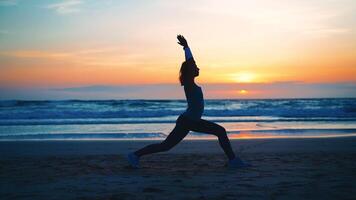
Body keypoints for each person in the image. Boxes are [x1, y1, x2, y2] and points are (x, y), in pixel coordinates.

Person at [127, 35, 250, 168]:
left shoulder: (191, 84)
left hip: (188, 121)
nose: (198, 68)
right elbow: (190, 63)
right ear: (190, 71)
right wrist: (186, 47)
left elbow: (191, 65)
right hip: (189, 121)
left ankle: (135, 155)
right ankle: (233, 161)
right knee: (220, 131)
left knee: (166, 146)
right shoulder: (189, 83)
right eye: (196, 66)